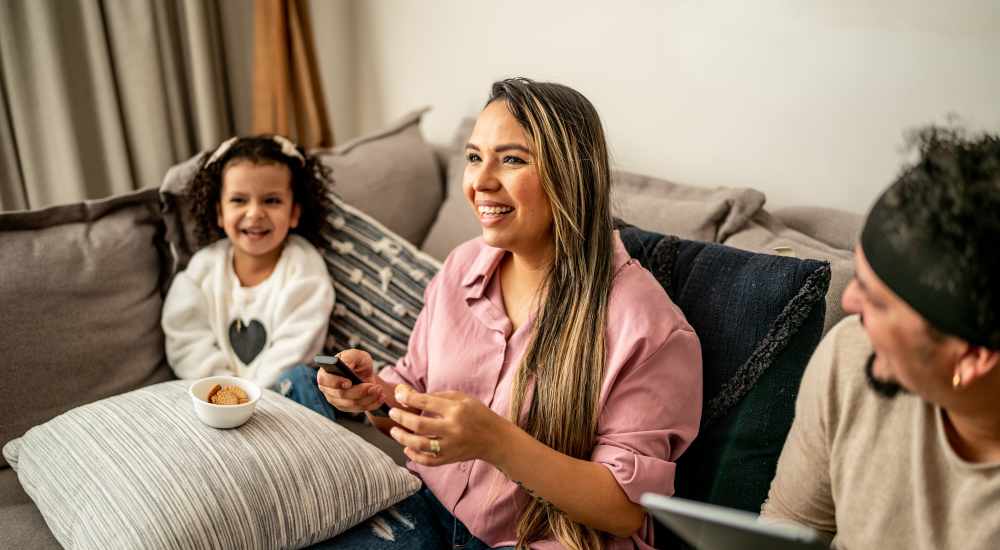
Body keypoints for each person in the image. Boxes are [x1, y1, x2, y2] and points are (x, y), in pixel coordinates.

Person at [315, 78, 703, 550]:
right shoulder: (461, 267)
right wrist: (375, 396)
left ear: (571, 175)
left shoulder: (647, 326)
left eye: (512, 159)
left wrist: (496, 441)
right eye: (475, 157)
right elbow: (411, 397)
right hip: (426, 511)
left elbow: (623, 510)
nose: (480, 182)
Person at [761, 127, 1000, 549]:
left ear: (972, 359)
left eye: (878, 300)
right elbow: (789, 523)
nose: (848, 300)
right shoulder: (851, 354)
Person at [162, 135, 338, 419]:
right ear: (219, 212)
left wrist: (252, 398)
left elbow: (298, 343)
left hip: (282, 399)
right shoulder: (203, 269)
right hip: (215, 398)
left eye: (271, 200)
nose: (255, 213)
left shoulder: (304, 267)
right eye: (239, 200)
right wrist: (228, 395)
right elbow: (186, 338)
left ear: (294, 213)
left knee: (304, 377)